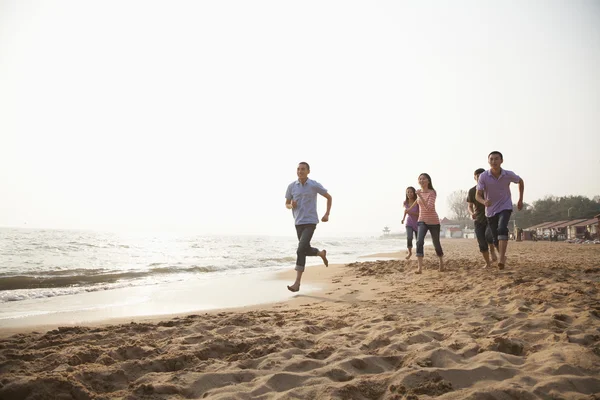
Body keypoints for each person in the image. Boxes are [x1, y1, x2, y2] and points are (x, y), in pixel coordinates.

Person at [284, 162, 332, 292]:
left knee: (300, 250)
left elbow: (329, 197)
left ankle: (297, 283)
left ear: (308, 171)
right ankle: (320, 253)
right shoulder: (292, 186)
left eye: (303, 169)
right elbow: (286, 204)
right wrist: (291, 206)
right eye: (298, 169)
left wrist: (327, 214)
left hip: (310, 221)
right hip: (298, 222)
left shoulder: (313, 185)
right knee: (304, 249)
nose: (300, 171)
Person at [475, 151, 524, 270]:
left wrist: (520, 199)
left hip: (505, 206)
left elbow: (520, 181)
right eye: (491, 159)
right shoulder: (483, 176)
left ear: (501, 161)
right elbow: (478, 195)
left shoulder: (508, 174)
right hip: (490, 211)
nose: (494, 161)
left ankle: (501, 258)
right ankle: (502, 255)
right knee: (495, 238)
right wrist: (484, 202)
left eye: (496, 159)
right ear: (488, 161)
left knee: (502, 228)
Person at [467, 168, 498, 268]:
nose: (479, 177)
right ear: (474, 177)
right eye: (477, 175)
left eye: (482, 175)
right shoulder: (472, 191)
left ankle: (492, 250)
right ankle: (487, 263)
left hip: (491, 217)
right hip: (478, 220)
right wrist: (472, 213)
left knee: (489, 236)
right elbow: (469, 206)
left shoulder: (491, 188)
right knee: (482, 243)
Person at [415, 173, 444, 273]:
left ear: (428, 181)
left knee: (436, 243)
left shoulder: (432, 192)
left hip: (433, 221)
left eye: (424, 179)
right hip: (421, 220)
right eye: (420, 179)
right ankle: (419, 268)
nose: (421, 180)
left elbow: (429, 207)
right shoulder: (418, 193)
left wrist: (420, 196)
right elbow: (418, 206)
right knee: (419, 241)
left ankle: (441, 261)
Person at [401, 187, 419, 260]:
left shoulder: (417, 201)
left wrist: (411, 212)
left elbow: (419, 214)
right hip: (409, 223)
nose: (409, 193)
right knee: (409, 237)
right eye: (408, 192)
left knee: (418, 240)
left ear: (414, 193)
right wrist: (403, 219)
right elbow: (406, 211)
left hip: (418, 223)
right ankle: (410, 252)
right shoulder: (405, 202)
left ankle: (418, 253)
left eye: (411, 192)